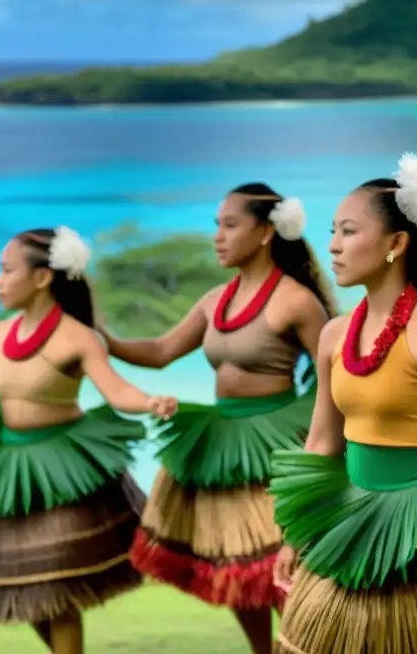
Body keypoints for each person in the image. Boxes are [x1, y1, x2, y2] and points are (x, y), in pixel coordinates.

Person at [100, 183, 336, 652]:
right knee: (235, 568)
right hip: (221, 444)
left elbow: (336, 367)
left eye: (230, 225)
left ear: (266, 231)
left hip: (276, 442)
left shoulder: (295, 301)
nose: (218, 236)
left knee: (283, 570)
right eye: (216, 226)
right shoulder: (214, 301)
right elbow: (161, 351)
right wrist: (101, 336)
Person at [0, 226, 176, 654]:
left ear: (42, 278)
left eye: (6, 271)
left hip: (62, 470)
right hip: (9, 468)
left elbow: (117, 391)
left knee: (57, 587)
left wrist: (150, 401)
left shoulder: (77, 338)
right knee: (27, 587)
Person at [270, 153, 417, 654]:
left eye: (347, 232)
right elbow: (322, 442)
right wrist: (294, 534)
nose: (333, 247)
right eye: (332, 232)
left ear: (396, 244)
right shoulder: (333, 335)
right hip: (346, 515)